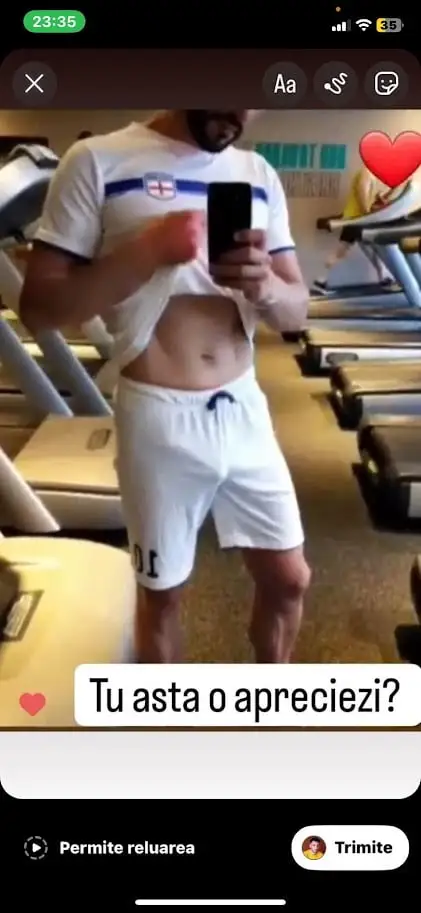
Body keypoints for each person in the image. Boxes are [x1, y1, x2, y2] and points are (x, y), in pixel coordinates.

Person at [19, 110, 311, 664]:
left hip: (244, 409)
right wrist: (148, 250)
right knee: (163, 596)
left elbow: (297, 312)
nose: (240, 115)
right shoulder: (97, 161)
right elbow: (41, 309)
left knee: (289, 579)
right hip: (159, 417)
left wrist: (267, 286)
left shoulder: (258, 173)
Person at [314, 164, 394, 290]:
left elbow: (368, 200)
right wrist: (370, 215)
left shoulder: (371, 175)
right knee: (365, 250)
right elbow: (362, 200)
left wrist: (381, 198)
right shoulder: (366, 174)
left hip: (356, 219)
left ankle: (323, 279)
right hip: (357, 220)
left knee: (348, 251)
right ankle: (384, 278)